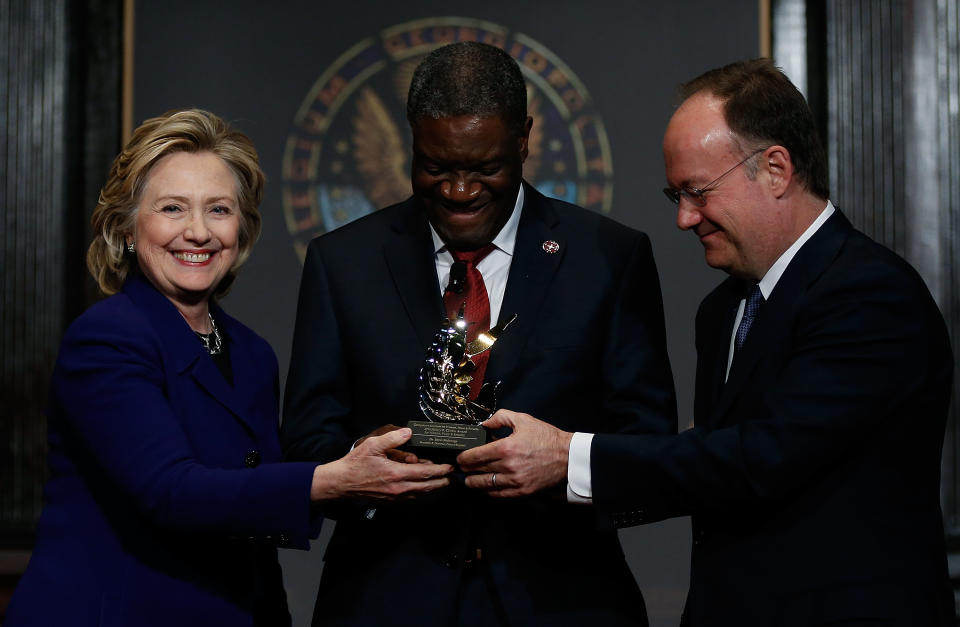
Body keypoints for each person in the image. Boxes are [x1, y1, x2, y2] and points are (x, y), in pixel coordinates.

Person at [459, 58, 956, 626]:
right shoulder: (723, 310)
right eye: (676, 195)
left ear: (775, 169)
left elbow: (761, 458)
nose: (684, 218)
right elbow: (709, 476)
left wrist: (568, 455)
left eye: (697, 192)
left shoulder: (869, 294)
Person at [281, 42, 677, 626]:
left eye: (485, 168)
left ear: (524, 141)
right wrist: (367, 472)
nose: (459, 191)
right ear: (413, 141)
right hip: (384, 599)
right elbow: (308, 439)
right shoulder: (343, 262)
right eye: (436, 167)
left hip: (564, 600)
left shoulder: (610, 258)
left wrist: (561, 463)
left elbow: (648, 443)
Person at [5, 109, 451, 627]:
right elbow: (172, 493)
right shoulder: (107, 338)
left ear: (242, 228)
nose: (198, 232)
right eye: (172, 208)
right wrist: (331, 481)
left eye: (218, 210)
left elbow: (251, 520)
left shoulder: (251, 352)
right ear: (126, 227)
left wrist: (359, 459)